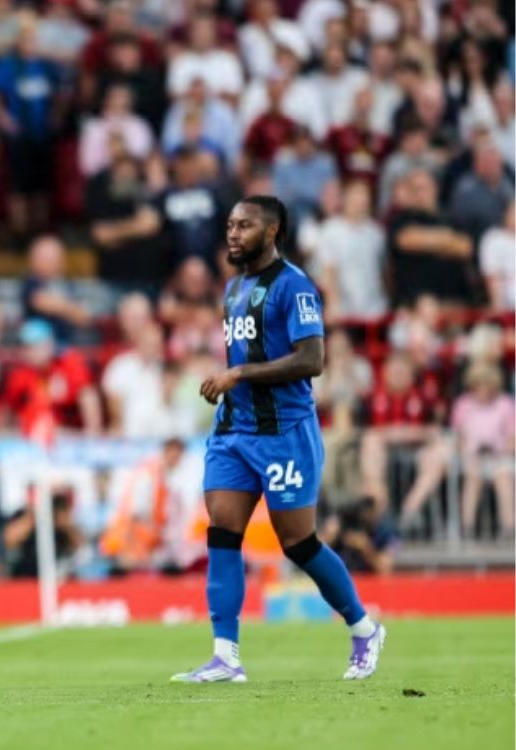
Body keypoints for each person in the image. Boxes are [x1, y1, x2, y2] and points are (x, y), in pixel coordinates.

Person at [172, 196, 385, 684]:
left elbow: (313, 360)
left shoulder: (295, 287)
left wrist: (240, 372)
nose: (232, 233)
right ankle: (226, 657)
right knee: (223, 533)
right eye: (229, 224)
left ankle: (363, 628)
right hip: (232, 433)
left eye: (244, 225)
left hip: (284, 434)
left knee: (298, 543)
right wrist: (230, 383)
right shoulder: (233, 288)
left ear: (271, 232)